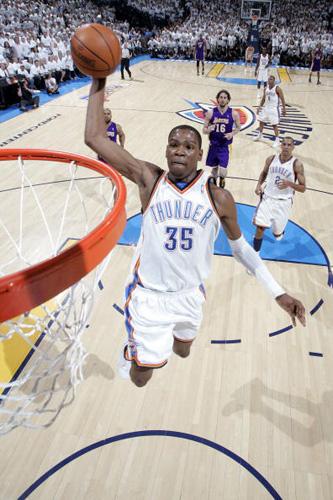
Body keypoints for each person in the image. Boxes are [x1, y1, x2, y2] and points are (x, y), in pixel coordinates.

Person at [85, 78, 306, 388]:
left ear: (200, 154)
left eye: (188, 147)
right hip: (149, 298)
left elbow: (242, 250)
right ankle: (132, 350)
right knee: (140, 378)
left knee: (183, 351)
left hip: (190, 294)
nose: (180, 151)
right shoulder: (149, 179)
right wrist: (99, 79)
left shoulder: (218, 197)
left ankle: (157, 342)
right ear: (165, 150)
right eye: (174, 145)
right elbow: (94, 137)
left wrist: (278, 292)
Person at [252, 136, 306, 252]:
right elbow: (264, 173)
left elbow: (303, 188)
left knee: (277, 233)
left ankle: (279, 233)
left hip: (284, 202)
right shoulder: (271, 159)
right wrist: (258, 185)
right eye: (284, 144)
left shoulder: (297, 164)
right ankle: (255, 255)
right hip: (267, 198)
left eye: (289, 145)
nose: (286, 147)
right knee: (260, 227)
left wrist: (289, 184)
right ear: (281, 145)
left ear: (293, 147)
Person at [203, 89, 241, 188]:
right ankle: (215, 185)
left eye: (225, 98)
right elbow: (204, 130)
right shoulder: (211, 113)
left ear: (228, 100)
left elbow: (238, 128)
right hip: (213, 145)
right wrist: (209, 129)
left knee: (223, 170)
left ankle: (222, 180)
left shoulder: (234, 113)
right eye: (221, 97)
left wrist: (232, 134)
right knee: (214, 169)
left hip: (224, 146)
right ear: (217, 99)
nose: (223, 99)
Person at [253, 75, 286, 147]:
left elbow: (283, 99)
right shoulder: (265, 88)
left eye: (271, 79)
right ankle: (260, 135)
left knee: (274, 125)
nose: (269, 80)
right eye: (268, 79)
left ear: (274, 81)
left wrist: (284, 109)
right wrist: (259, 107)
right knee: (261, 121)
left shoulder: (278, 89)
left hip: (274, 109)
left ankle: (277, 140)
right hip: (266, 108)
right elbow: (263, 99)